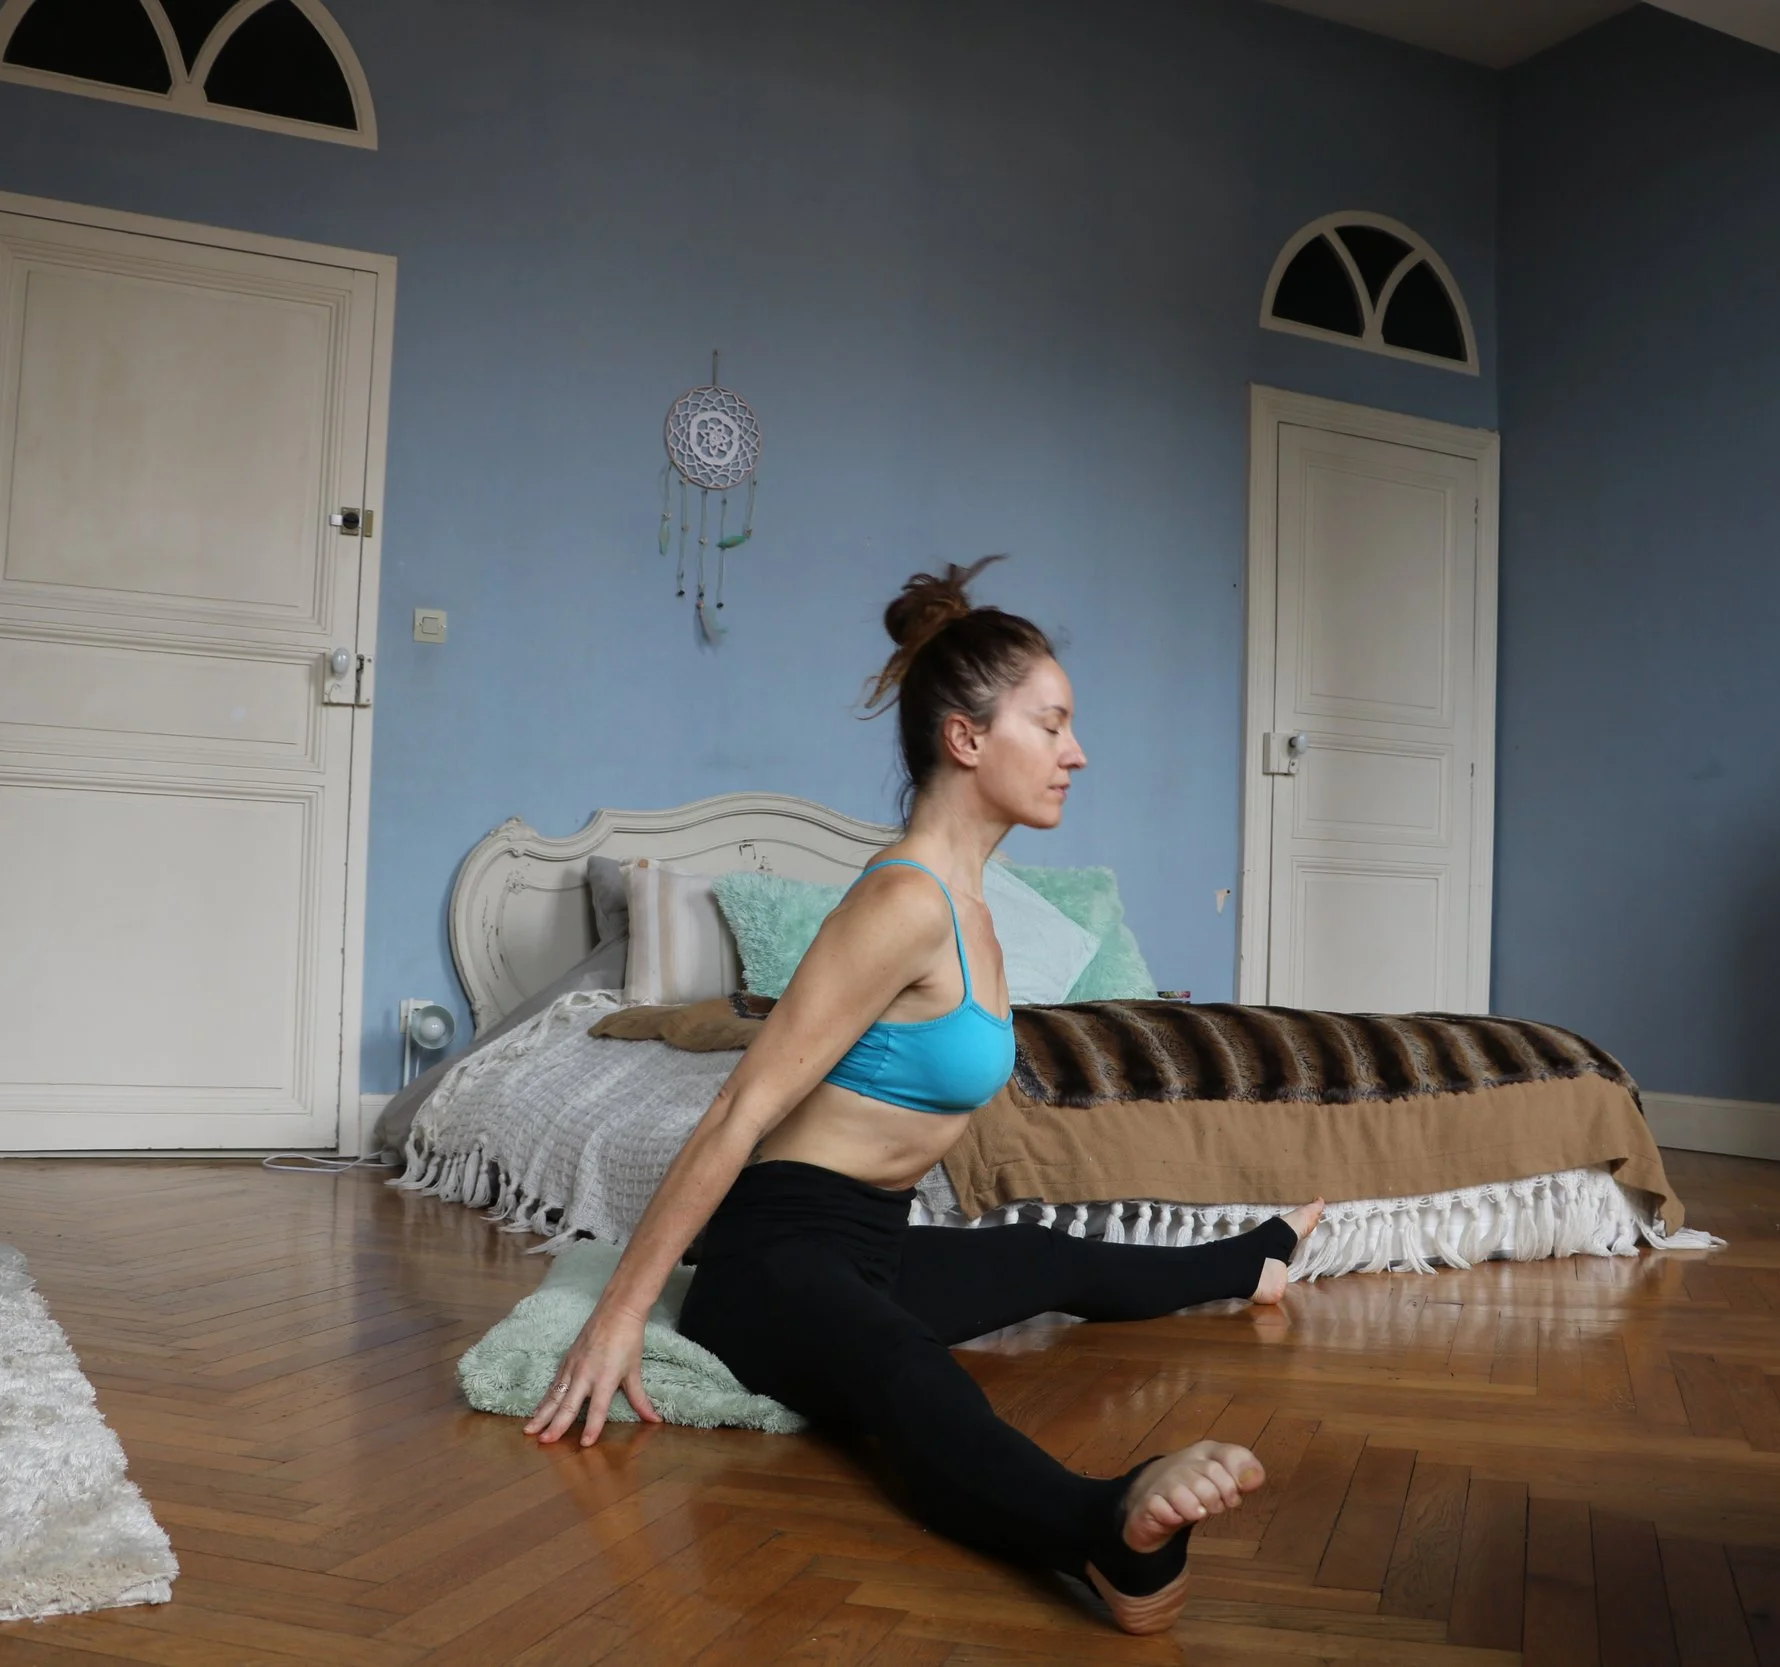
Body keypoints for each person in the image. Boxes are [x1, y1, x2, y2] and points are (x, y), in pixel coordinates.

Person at [526, 557, 1324, 1634]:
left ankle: (1248, 1257)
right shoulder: (902, 903)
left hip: (873, 1240)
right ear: (965, 739)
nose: (1076, 752)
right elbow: (738, 1110)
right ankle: (1104, 1527)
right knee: (903, 1369)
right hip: (771, 1262)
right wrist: (619, 1315)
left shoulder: (978, 905)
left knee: (1043, 1250)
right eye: (1050, 726)